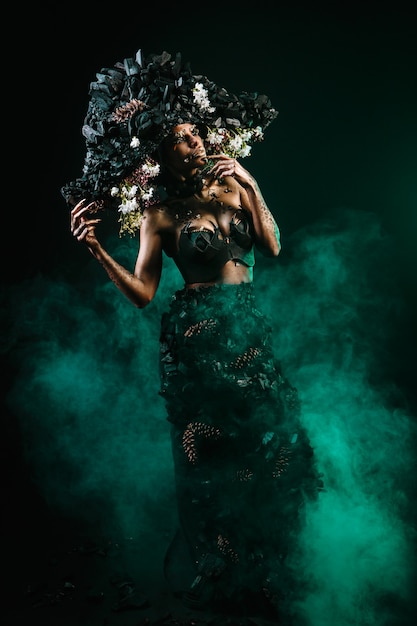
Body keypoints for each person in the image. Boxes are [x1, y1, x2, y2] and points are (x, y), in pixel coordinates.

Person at [62, 48, 322, 624]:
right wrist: (97, 249)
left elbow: (273, 247)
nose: (195, 143)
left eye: (194, 133)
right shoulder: (159, 214)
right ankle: (221, 568)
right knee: (210, 460)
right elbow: (144, 294)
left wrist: (251, 184)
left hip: (248, 331)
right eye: (180, 139)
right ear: (162, 154)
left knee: (276, 446)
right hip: (198, 344)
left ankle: (274, 565)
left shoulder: (234, 186)